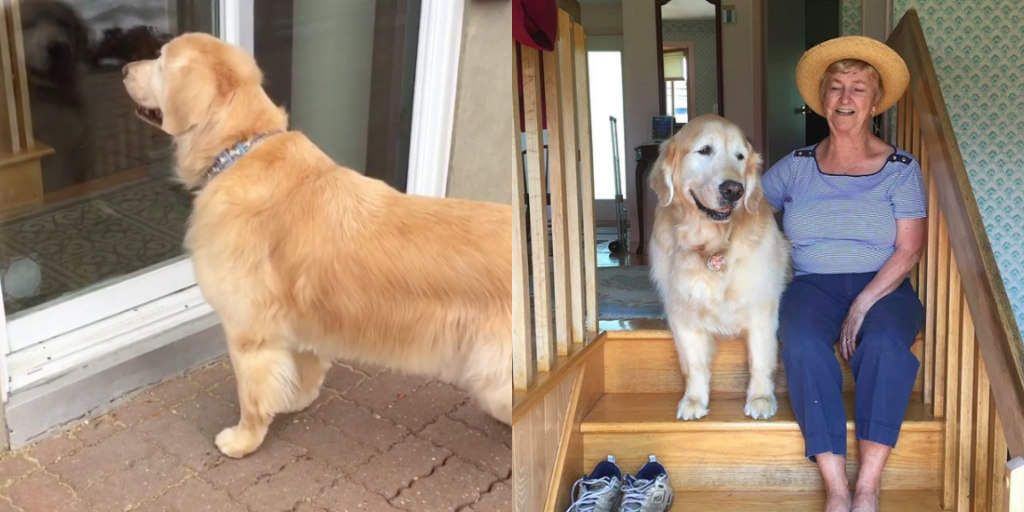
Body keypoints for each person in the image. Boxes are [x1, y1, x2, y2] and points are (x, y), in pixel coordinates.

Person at [762, 36, 926, 512]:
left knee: (885, 346)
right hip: (812, 284)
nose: (846, 98)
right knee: (804, 344)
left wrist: (862, 304)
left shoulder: (899, 168)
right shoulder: (795, 167)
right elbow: (749, 210)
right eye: (836, 87)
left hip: (884, 283)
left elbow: (910, 249)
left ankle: (868, 487)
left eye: (858, 88)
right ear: (822, 101)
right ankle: (836, 489)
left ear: (875, 102)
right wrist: (715, 247)